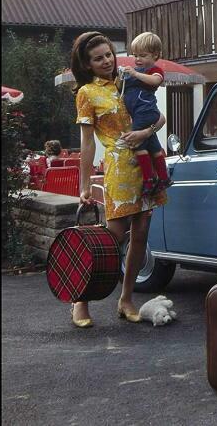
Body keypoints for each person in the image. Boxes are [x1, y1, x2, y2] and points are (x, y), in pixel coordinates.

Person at [69, 31, 168, 328]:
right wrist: (84, 185)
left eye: (109, 54)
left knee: (141, 234)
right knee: (110, 238)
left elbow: (158, 117)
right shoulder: (87, 93)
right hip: (118, 168)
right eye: (98, 58)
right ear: (87, 64)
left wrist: (146, 133)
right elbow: (87, 143)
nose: (106, 61)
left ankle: (126, 300)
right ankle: (80, 299)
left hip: (146, 164)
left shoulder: (130, 78)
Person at [119, 32, 173, 195]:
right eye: (135, 55)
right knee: (154, 146)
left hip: (145, 112)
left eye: (142, 55)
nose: (137, 59)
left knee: (138, 146)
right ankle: (163, 177)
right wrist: (123, 77)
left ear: (155, 55)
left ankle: (148, 179)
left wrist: (135, 74)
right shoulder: (137, 70)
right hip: (141, 114)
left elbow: (156, 80)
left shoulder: (154, 70)